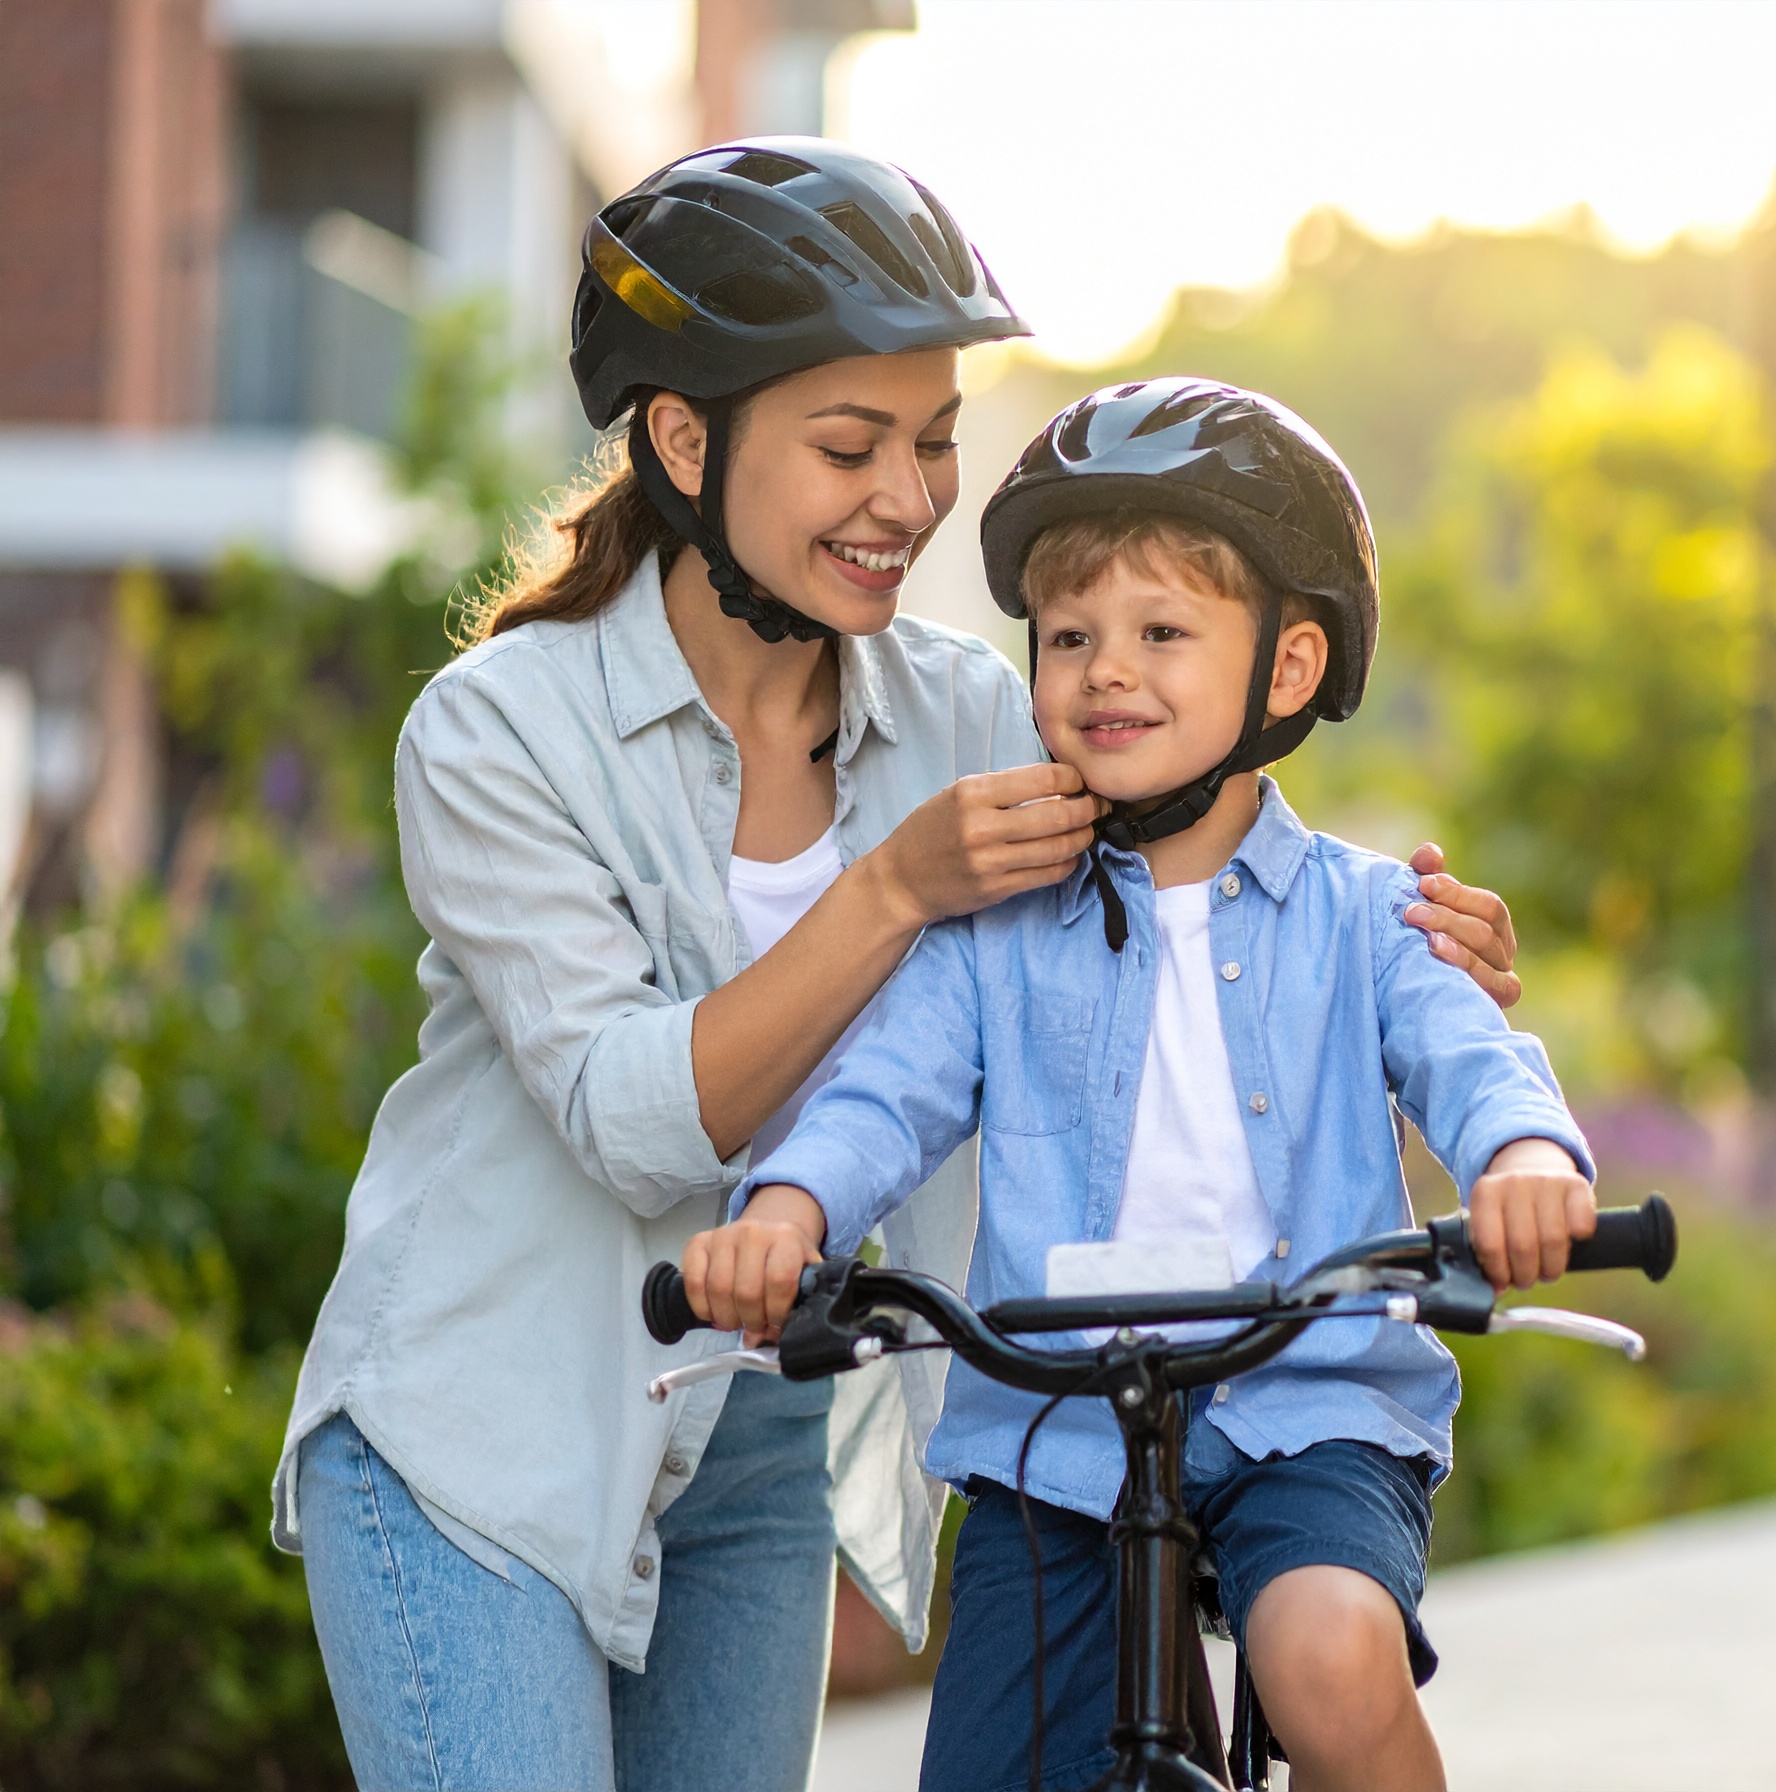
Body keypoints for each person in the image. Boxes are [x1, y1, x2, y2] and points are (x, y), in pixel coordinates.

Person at [273, 142, 1522, 1792]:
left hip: (756, 1444)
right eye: (850, 446)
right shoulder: (501, 733)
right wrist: (890, 888)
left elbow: (1200, 823)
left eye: (932, 443)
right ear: (682, 438)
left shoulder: (966, 710)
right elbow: (642, 1122)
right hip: (489, 1435)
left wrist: (1411, 948)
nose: (910, 499)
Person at [683, 377, 1597, 1792]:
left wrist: (1524, 1169)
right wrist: (787, 1209)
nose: (1107, 669)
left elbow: (1475, 1060)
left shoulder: (1366, 917)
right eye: (1069, 637)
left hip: (1313, 1404)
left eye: (1163, 632)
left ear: (1287, 672)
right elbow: (885, 1093)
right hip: (1054, 1432)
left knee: (1326, 1658)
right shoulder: (990, 935)